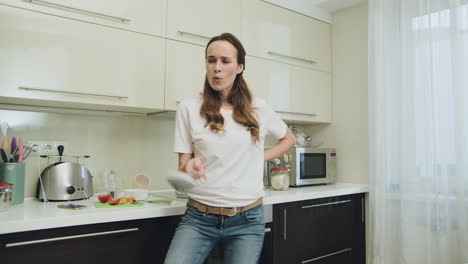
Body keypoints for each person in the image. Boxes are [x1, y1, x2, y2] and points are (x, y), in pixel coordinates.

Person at [164, 32, 296, 264]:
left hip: (247, 220)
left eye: (225, 61)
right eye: (211, 60)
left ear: (240, 67)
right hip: (199, 219)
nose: (217, 68)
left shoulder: (259, 108)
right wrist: (189, 165)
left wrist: (259, 158)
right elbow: (183, 162)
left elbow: (289, 139)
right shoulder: (188, 108)